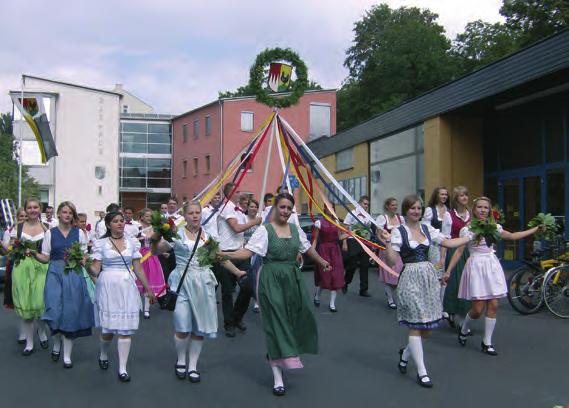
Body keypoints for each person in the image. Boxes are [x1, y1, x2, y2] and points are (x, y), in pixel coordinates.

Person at [222, 193, 331, 396]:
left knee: (292, 320)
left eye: (289, 208)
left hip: (292, 279)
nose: (286, 211)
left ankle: (285, 357)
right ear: (275, 208)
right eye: (282, 207)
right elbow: (247, 253)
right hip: (271, 279)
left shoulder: (295, 229)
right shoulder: (265, 230)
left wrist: (322, 261)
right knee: (275, 323)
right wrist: (224, 254)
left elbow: (307, 249)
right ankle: (277, 377)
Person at [380, 195, 470, 388]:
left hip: (428, 279)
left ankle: (404, 355)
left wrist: (469, 236)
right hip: (410, 279)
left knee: (427, 329)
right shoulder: (398, 232)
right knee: (415, 324)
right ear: (406, 210)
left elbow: (449, 242)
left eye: (419, 208)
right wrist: (387, 242)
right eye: (412, 208)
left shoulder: (427, 228)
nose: (416, 211)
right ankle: (422, 371)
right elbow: (390, 261)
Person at [447, 197, 541, 356]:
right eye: (479, 207)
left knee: (494, 304)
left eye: (486, 207)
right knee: (477, 309)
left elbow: (512, 236)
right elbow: (459, 251)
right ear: (474, 210)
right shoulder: (467, 229)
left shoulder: (494, 227)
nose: (483, 210)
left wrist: (535, 229)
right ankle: (464, 328)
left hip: (491, 265)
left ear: (489, 210)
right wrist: (448, 270)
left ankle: (487, 342)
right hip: (476, 266)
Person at [151, 201, 233, 383]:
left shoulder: (208, 236)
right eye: (191, 213)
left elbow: (219, 257)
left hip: (203, 282)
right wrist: (156, 237)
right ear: (185, 216)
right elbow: (155, 251)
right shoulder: (176, 235)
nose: (195, 216)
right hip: (182, 281)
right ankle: (181, 360)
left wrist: (237, 271)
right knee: (182, 324)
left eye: (198, 213)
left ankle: (193, 365)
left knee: (198, 326)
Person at [89, 211, 156, 382]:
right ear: (108, 224)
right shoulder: (101, 243)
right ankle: (103, 352)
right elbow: (96, 269)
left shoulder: (132, 242)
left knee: (125, 329)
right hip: (108, 285)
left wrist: (148, 289)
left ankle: (122, 368)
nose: (120, 223)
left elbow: (138, 267)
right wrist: (86, 265)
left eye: (121, 221)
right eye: (115, 221)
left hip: (127, 284)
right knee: (108, 330)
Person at [36, 201, 95, 368]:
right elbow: (46, 257)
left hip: (73, 273)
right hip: (55, 273)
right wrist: (33, 254)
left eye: (70, 212)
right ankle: (56, 344)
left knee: (70, 312)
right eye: (64, 212)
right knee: (54, 310)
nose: (67, 215)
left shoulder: (80, 233)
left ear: (73, 215)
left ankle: (67, 355)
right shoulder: (50, 234)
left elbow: (84, 256)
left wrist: (86, 262)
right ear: (59, 214)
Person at [215, 183, 260, 337]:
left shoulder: (239, 210)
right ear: (231, 192)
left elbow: (242, 232)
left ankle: (236, 317)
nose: (240, 193)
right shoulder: (227, 207)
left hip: (240, 254)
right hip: (226, 254)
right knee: (227, 291)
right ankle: (229, 324)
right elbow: (236, 228)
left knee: (248, 287)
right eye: (238, 190)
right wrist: (255, 221)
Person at [7, 198, 50, 355]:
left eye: (35, 207)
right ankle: (29, 343)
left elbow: (49, 252)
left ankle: (42, 331)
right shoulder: (17, 228)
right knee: (26, 305)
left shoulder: (47, 229)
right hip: (22, 267)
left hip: (41, 267)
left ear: (40, 209)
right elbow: (10, 249)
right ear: (25, 210)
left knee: (40, 302)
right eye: (29, 208)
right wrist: (8, 246)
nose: (32, 210)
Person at [443, 186, 471, 327]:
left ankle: (460, 315)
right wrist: (442, 259)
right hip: (455, 250)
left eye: (466, 195)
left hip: (469, 251)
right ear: (456, 199)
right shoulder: (449, 215)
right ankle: (456, 315)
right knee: (457, 283)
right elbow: (445, 238)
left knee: (469, 284)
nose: (465, 197)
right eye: (461, 195)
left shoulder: (471, 214)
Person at [422, 187, 451, 318]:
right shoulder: (430, 210)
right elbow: (425, 227)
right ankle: (432, 304)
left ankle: (441, 305)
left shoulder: (449, 211)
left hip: (448, 246)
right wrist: (439, 236)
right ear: (436, 195)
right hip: (435, 246)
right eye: (442, 194)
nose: (444, 196)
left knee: (445, 276)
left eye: (446, 194)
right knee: (436, 275)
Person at [312, 205, 347, 312]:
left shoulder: (336, 222)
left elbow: (340, 237)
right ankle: (317, 295)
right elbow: (315, 239)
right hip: (323, 250)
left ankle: (332, 304)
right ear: (325, 209)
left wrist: (350, 234)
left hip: (335, 251)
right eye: (328, 207)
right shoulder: (319, 223)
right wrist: (312, 252)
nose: (330, 210)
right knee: (325, 277)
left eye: (332, 207)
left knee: (336, 276)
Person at [2, 208, 27, 341]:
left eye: (25, 216)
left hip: (29, 266)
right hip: (15, 264)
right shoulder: (11, 231)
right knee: (18, 301)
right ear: (17, 217)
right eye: (21, 216)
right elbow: (7, 250)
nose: (23, 218)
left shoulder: (30, 230)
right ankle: (22, 333)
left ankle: (32, 331)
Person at [376, 197, 405, 309]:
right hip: (386, 249)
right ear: (387, 206)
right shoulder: (382, 218)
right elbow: (378, 235)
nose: (395, 207)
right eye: (393, 205)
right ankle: (390, 299)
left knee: (399, 274)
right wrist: (387, 244)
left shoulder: (400, 218)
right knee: (388, 275)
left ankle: (395, 296)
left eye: (396, 205)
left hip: (397, 250)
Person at [136, 208, 166, 319]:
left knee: (148, 281)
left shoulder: (154, 229)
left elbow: (158, 243)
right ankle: (137, 305)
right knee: (138, 281)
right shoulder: (137, 227)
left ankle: (146, 309)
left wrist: (163, 252)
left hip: (151, 255)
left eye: (151, 216)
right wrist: (141, 238)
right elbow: (131, 240)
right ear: (142, 217)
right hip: (139, 256)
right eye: (147, 216)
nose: (149, 218)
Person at [342, 195, 372, 297]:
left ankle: (363, 289)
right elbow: (345, 228)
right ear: (359, 204)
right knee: (352, 265)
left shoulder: (368, 216)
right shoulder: (351, 214)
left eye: (367, 204)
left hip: (365, 242)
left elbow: (369, 230)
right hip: (353, 241)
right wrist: (345, 242)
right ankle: (346, 282)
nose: (366, 206)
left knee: (365, 265)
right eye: (364, 204)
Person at [243, 198, 262, 312]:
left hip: (257, 252)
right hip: (245, 251)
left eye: (255, 207)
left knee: (256, 277)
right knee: (247, 277)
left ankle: (257, 300)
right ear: (247, 208)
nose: (253, 209)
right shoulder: (243, 219)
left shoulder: (260, 220)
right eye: (251, 206)